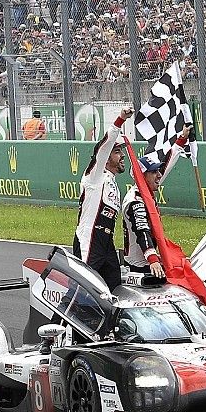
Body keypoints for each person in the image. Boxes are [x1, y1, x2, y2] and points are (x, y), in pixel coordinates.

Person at [73, 106, 133, 290]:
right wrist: (120, 120)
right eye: (117, 152)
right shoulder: (95, 176)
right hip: (90, 238)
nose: (122, 155)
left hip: (107, 242)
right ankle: (62, 310)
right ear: (106, 158)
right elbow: (103, 147)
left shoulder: (112, 182)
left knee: (113, 286)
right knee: (84, 288)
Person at [122, 125, 191, 277]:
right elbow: (142, 230)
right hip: (139, 267)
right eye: (154, 172)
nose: (159, 175)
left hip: (149, 263)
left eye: (158, 170)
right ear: (142, 176)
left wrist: (181, 140)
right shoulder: (135, 200)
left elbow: (166, 167)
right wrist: (153, 259)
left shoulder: (145, 191)